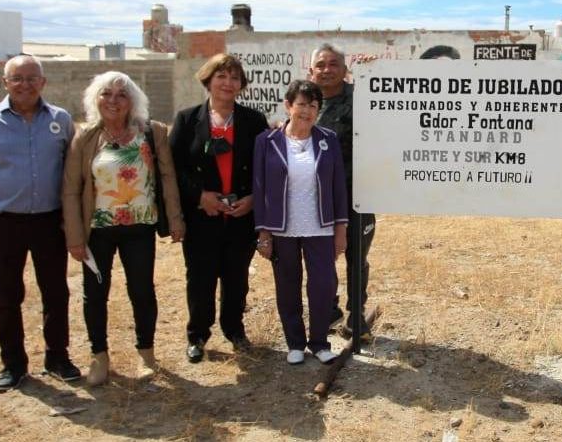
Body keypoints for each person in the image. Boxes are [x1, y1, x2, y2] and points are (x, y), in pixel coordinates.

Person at [0, 54, 81, 392]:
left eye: (32, 78)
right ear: (5, 83)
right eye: (17, 78)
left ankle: (57, 358)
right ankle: (13, 365)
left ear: (43, 83)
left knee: (56, 292)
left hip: (49, 221)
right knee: (7, 295)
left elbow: (70, 171)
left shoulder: (60, 119)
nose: (24, 84)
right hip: (4, 222)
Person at [62, 71, 185, 385]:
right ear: (95, 99)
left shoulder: (152, 133)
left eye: (121, 95)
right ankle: (99, 357)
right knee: (95, 293)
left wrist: (175, 219)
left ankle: (146, 354)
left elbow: (168, 178)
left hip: (139, 229)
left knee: (142, 291)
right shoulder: (86, 137)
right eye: (106, 94)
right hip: (98, 231)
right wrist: (75, 237)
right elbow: (71, 189)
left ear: (133, 101)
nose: (113, 101)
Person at [170, 53, 269, 363]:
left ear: (241, 85)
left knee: (236, 276)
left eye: (235, 77)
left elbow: (265, 167)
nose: (228, 83)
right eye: (221, 76)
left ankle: (234, 330)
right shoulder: (187, 120)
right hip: (203, 217)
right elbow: (175, 168)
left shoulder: (254, 121)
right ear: (208, 80)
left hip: (241, 215)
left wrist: (253, 197)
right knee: (199, 277)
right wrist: (200, 197)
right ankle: (197, 335)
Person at [253, 80, 348, 364]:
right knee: (287, 285)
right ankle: (295, 343)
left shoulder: (327, 139)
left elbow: (338, 187)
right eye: (301, 104)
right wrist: (264, 232)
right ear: (288, 105)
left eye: (313, 106)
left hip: (320, 226)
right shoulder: (266, 141)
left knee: (323, 284)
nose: (306, 111)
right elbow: (259, 189)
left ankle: (319, 342)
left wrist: (340, 230)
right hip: (282, 228)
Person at [308, 44, 376, 338]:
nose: (327, 69)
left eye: (333, 63)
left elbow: (389, 106)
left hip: (358, 192)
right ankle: (329, 310)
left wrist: (374, 73)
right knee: (322, 257)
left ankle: (356, 315)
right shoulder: (304, 102)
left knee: (356, 257)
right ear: (311, 71)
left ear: (344, 69)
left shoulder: (362, 98)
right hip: (318, 197)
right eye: (320, 64)